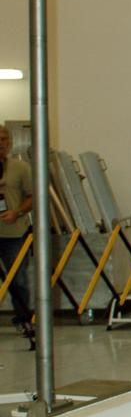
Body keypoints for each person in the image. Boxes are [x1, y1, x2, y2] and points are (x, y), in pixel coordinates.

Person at [0, 127, 34, 340]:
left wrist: (17, 211)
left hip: (13, 234)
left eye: (4, 139)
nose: (1, 142)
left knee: (18, 280)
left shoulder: (21, 168)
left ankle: (23, 320)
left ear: (10, 143)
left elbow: (32, 196)